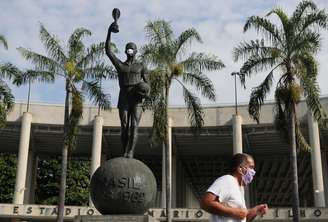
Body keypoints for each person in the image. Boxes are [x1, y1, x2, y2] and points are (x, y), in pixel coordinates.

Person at [105, 19, 149, 158]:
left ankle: (130, 152)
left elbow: (148, 84)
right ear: (125, 51)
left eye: (132, 48)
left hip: (137, 98)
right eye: (128, 48)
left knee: (134, 126)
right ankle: (125, 151)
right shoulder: (120, 66)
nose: (130, 50)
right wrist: (109, 32)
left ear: (136, 51)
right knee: (124, 127)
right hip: (123, 96)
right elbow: (108, 51)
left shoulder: (141, 66)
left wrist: (146, 93)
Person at [200, 153, 268, 222]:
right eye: (251, 167)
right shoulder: (227, 180)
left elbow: (241, 217)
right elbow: (205, 202)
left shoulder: (239, 189)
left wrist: (255, 210)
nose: (253, 172)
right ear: (240, 169)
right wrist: (234, 212)